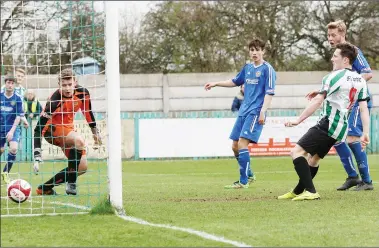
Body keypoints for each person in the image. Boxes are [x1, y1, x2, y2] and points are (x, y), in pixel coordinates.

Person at [278, 43, 370, 201]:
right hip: (341, 129)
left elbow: (317, 101)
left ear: (346, 60)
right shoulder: (360, 80)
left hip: (328, 123)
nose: (332, 58)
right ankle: (297, 191)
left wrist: (298, 120)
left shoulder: (332, 77)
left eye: (335, 56)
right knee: (313, 159)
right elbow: (363, 109)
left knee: (296, 153)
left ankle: (311, 191)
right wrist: (365, 133)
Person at [306, 20, 374, 191]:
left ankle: (367, 181)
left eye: (333, 35)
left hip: (358, 101)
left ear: (342, 34)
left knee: (351, 137)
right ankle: (352, 176)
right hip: (342, 103)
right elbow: (335, 81)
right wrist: (322, 91)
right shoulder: (338, 55)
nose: (330, 38)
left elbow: (367, 74)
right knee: (335, 137)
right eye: (328, 35)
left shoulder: (353, 52)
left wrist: (350, 85)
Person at [204, 38, 276, 189]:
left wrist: (263, 111)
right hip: (243, 111)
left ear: (263, 51)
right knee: (235, 146)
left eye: (257, 50)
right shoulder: (248, 68)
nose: (254, 53)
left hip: (256, 112)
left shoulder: (267, 69)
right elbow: (235, 81)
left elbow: (270, 93)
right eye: (252, 50)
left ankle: (243, 181)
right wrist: (216, 83)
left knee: (243, 143)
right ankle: (249, 174)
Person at [33, 68, 102, 195]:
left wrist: (95, 133)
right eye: (64, 85)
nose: (67, 88)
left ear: (75, 82)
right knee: (79, 140)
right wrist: (37, 152)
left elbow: (88, 113)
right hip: (52, 130)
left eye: (70, 84)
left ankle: (44, 188)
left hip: (68, 129)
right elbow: (38, 128)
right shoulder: (54, 101)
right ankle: (71, 184)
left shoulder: (83, 93)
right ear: (59, 84)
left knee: (81, 168)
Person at [0, 75, 29, 183]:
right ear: (5, 83)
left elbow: (18, 116)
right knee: (1, 150)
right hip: (1, 127)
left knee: (13, 149)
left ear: (14, 85)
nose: (10, 85)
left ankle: (5, 172)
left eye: (12, 83)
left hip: (13, 127)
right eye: (8, 82)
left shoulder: (17, 98)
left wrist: (12, 131)